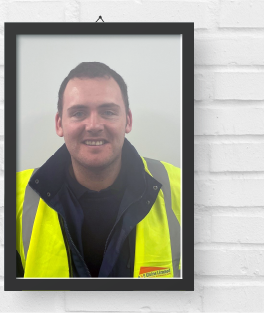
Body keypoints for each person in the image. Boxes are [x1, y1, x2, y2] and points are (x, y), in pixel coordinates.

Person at [16, 62, 182, 278]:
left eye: (108, 111)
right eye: (78, 113)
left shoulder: (181, 189)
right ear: (59, 124)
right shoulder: (14, 195)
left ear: (128, 121)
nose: (93, 125)